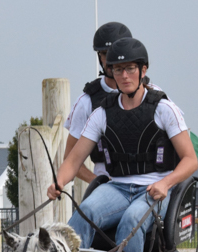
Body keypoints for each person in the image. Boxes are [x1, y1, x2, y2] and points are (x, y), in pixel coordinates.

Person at [48, 37, 198, 252]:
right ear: (111, 73)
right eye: (118, 70)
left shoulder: (163, 108)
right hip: (116, 187)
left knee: (131, 220)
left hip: (154, 190)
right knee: (86, 211)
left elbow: (190, 160)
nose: (124, 76)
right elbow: (74, 160)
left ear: (143, 70)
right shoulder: (102, 113)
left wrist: (166, 183)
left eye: (130, 69)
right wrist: (59, 181)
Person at [63, 22, 162, 183]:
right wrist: (98, 182)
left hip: (149, 180)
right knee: (86, 209)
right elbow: (70, 158)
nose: (111, 59)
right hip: (108, 182)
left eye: (115, 52)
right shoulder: (86, 101)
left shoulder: (154, 95)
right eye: (105, 54)